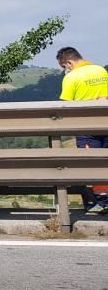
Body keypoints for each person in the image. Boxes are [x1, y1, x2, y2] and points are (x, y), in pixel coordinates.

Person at [56, 47, 108, 215]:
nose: (66, 70)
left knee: (91, 165)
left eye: (64, 66)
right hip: (105, 122)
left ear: (69, 62)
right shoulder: (101, 70)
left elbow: (64, 105)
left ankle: (103, 202)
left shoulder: (71, 78)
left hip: (86, 127)